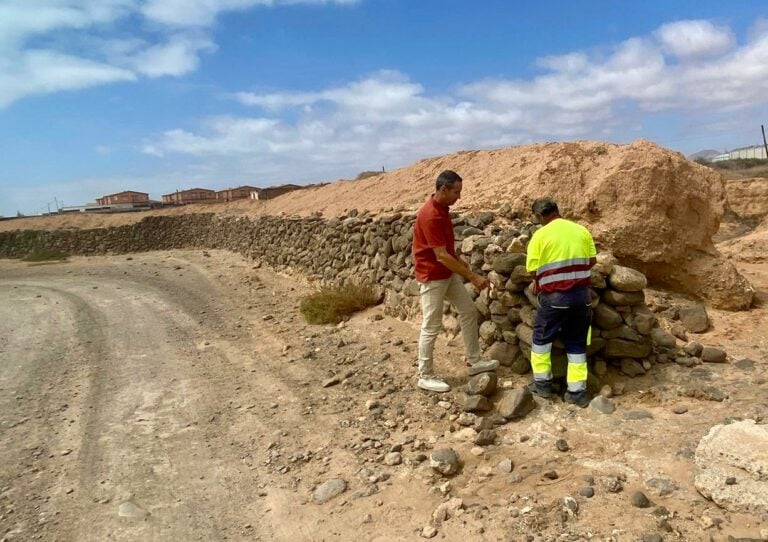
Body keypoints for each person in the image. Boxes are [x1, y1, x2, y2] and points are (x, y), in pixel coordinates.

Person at [412, 170, 499, 393]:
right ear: (443, 189)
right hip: (432, 276)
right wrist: (472, 276)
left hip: (447, 274)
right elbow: (440, 254)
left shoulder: (443, 210)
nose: (459, 197)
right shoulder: (430, 215)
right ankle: (425, 375)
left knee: (468, 311)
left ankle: (474, 360)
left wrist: (460, 261)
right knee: (431, 325)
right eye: (456, 192)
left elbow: (447, 249)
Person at [525, 197, 596, 407]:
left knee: (541, 339)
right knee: (576, 344)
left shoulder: (539, 236)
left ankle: (542, 384)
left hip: (555, 298)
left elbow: (532, 270)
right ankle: (577, 393)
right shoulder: (581, 230)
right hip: (582, 297)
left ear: (540, 216)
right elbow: (592, 260)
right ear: (558, 210)